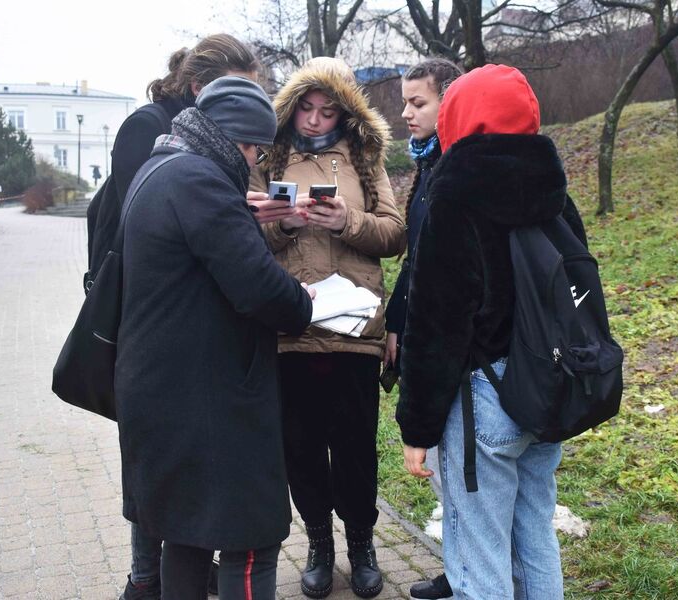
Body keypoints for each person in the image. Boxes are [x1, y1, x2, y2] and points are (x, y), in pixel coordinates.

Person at [115, 75, 314, 600]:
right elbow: (260, 288)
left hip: (163, 393)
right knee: (251, 541)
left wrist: (240, 212)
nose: (254, 160)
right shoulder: (200, 182)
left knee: (186, 535)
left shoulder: (163, 165)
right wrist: (303, 300)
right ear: (233, 138)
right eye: (254, 149)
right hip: (207, 403)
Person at [396, 64, 589, 599]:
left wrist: (417, 427)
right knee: (534, 539)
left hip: (484, 397)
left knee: (479, 557)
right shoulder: (554, 191)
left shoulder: (453, 196)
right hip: (545, 384)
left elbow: (435, 325)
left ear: (459, 117)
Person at [94, 34, 261, 600]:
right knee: (161, 479)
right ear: (198, 88)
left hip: (179, 335)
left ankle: (173, 572)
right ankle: (144, 580)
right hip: (153, 331)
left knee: (179, 482)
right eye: (234, 91)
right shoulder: (152, 133)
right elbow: (148, 223)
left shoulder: (196, 143)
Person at [249, 57, 405, 599]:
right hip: (292, 326)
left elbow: (394, 234)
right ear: (291, 109)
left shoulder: (365, 158)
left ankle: (362, 545)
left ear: (346, 112)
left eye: (327, 110)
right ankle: (319, 544)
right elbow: (244, 238)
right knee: (303, 447)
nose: (314, 120)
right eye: (306, 108)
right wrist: (285, 225)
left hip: (354, 330)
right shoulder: (268, 157)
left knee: (356, 448)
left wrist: (347, 221)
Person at [381, 57, 463, 600]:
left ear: (447, 103)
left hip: (455, 349)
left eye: (418, 103)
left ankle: (471, 576)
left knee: (459, 471)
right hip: (423, 333)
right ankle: (459, 569)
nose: (406, 114)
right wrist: (395, 323)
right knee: (449, 475)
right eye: (404, 103)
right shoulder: (429, 164)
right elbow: (415, 260)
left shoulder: (456, 171)